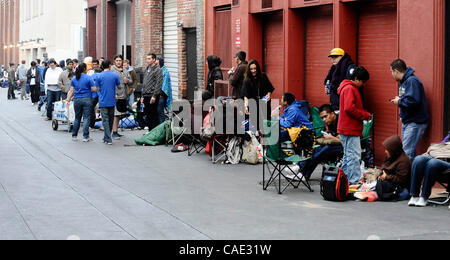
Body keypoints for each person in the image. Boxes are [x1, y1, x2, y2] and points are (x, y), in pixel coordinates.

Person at [338, 66, 372, 185]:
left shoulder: (346, 87)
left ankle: (345, 182)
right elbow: (349, 108)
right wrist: (364, 115)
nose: (363, 84)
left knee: (348, 156)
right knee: (354, 156)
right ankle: (354, 183)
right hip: (350, 129)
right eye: (362, 81)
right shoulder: (350, 89)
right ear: (356, 78)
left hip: (346, 128)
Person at [390, 59, 429, 160]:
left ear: (396, 71)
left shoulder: (412, 81)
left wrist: (399, 102)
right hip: (409, 121)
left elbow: (413, 101)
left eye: (391, 72)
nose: (391, 74)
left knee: (407, 153)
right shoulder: (404, 82)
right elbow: (407, 99)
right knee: (410, 152)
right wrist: (402, 115)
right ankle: (414, 174)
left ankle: (405, 176)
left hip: (415, 122)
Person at [291, 104, 343, 180]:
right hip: (334, 145)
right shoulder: (330, 123)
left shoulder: (341, 121)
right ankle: (303, 173)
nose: (324, 120)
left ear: (332, 114)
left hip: (345, 147)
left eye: (325, 116)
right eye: (322, 118)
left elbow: (343, 141)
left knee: (324, 150)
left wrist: (331, 137)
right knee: (317, 149)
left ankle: (302, 169)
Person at [408, 142, 450, 207]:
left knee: (433, 163)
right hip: (440, 157)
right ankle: (414, 196)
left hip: (446, 167)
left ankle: (424, 197)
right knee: (418, 159)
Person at [64, 63, 96, 142]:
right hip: (87, 99)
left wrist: (68, 99)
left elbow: (71, 90)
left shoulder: (74, 78)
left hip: (77, 100)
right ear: (85, 69)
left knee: (77, 118)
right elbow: (94, 89)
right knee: (86, 118)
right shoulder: (88, 78)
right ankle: (85, 136)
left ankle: (74, 135)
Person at [375, 135, 412, 201]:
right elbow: (384, 166)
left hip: (401, 189)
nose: (385, 151)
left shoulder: (404, 161)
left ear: (393, 150)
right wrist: (381, 175)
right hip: (391, 185)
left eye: (387, 150)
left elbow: (401, 180)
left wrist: (386, 177)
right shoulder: (391, 156)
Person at [241, 59, 274, 129]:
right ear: (249, 70)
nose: (253, 71)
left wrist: (268, 94)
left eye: (255, 68)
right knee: (255, 124)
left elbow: (269, 88)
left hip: (264, 104)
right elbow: (245, 95)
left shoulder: (263, 76)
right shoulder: (247, 80)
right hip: (253, 104)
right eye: (251, 69)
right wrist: (246, 106)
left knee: (266, 123)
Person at [95, 60, 121, 145]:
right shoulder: (114, 75)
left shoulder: (99, 76)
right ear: (110, 66)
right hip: (112, 100)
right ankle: (107, 137)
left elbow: (97, 89)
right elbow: (119, 86)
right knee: (110, 119)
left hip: (103, 100)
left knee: (105, 120)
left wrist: (100, 95)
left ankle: (108, 138)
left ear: (102, 66)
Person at [324, 48, 357, 112]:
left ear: (342, 57)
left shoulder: (350, 67)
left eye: (335, 57)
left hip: (345, 103)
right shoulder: (334, 68)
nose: (333, 59)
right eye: (332, 57)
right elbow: (330, 81)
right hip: (335, 102)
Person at [111, 55, 132, 139]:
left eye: (120, 60)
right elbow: (111, 83)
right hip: (116, 95)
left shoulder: (125, 70)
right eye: (117, 60)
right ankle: (114, 132)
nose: (119, 62)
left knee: (120, 114)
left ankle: (116, 131)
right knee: (116, 114)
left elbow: (130, 81)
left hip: (124, 95)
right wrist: (114, 93)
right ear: (114, 61)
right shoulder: (112, 70)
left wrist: (128, 81)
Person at [140, 53, 163, 131]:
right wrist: (142, 96)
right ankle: (150, 131)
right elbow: (144, 83)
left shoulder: (157, 69)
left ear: (154, 59)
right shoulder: (147, 69)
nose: (147, 60)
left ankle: (154, 132)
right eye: (147, 58)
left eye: (149, 58)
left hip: (152, 95)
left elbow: (158, 83)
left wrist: (154, 95)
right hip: (146, 94)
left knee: (153, 114)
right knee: (148, 114)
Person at [156, 56, 172, 124]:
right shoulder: (157, 70)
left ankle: (162, 127)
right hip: (157, 95)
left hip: (162, 95)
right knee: (158, 112)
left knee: (160, 112)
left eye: (157, 63)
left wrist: (161, 95)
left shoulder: (165, 71)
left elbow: (165, 85)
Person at [88, 59, 103, 131]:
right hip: (102, 95)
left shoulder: (91, 76)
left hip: (93, 95)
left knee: (91, 110)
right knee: (103, 110)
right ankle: (104, 126)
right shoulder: (102, 76)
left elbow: (89, 86)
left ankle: (91, 126)